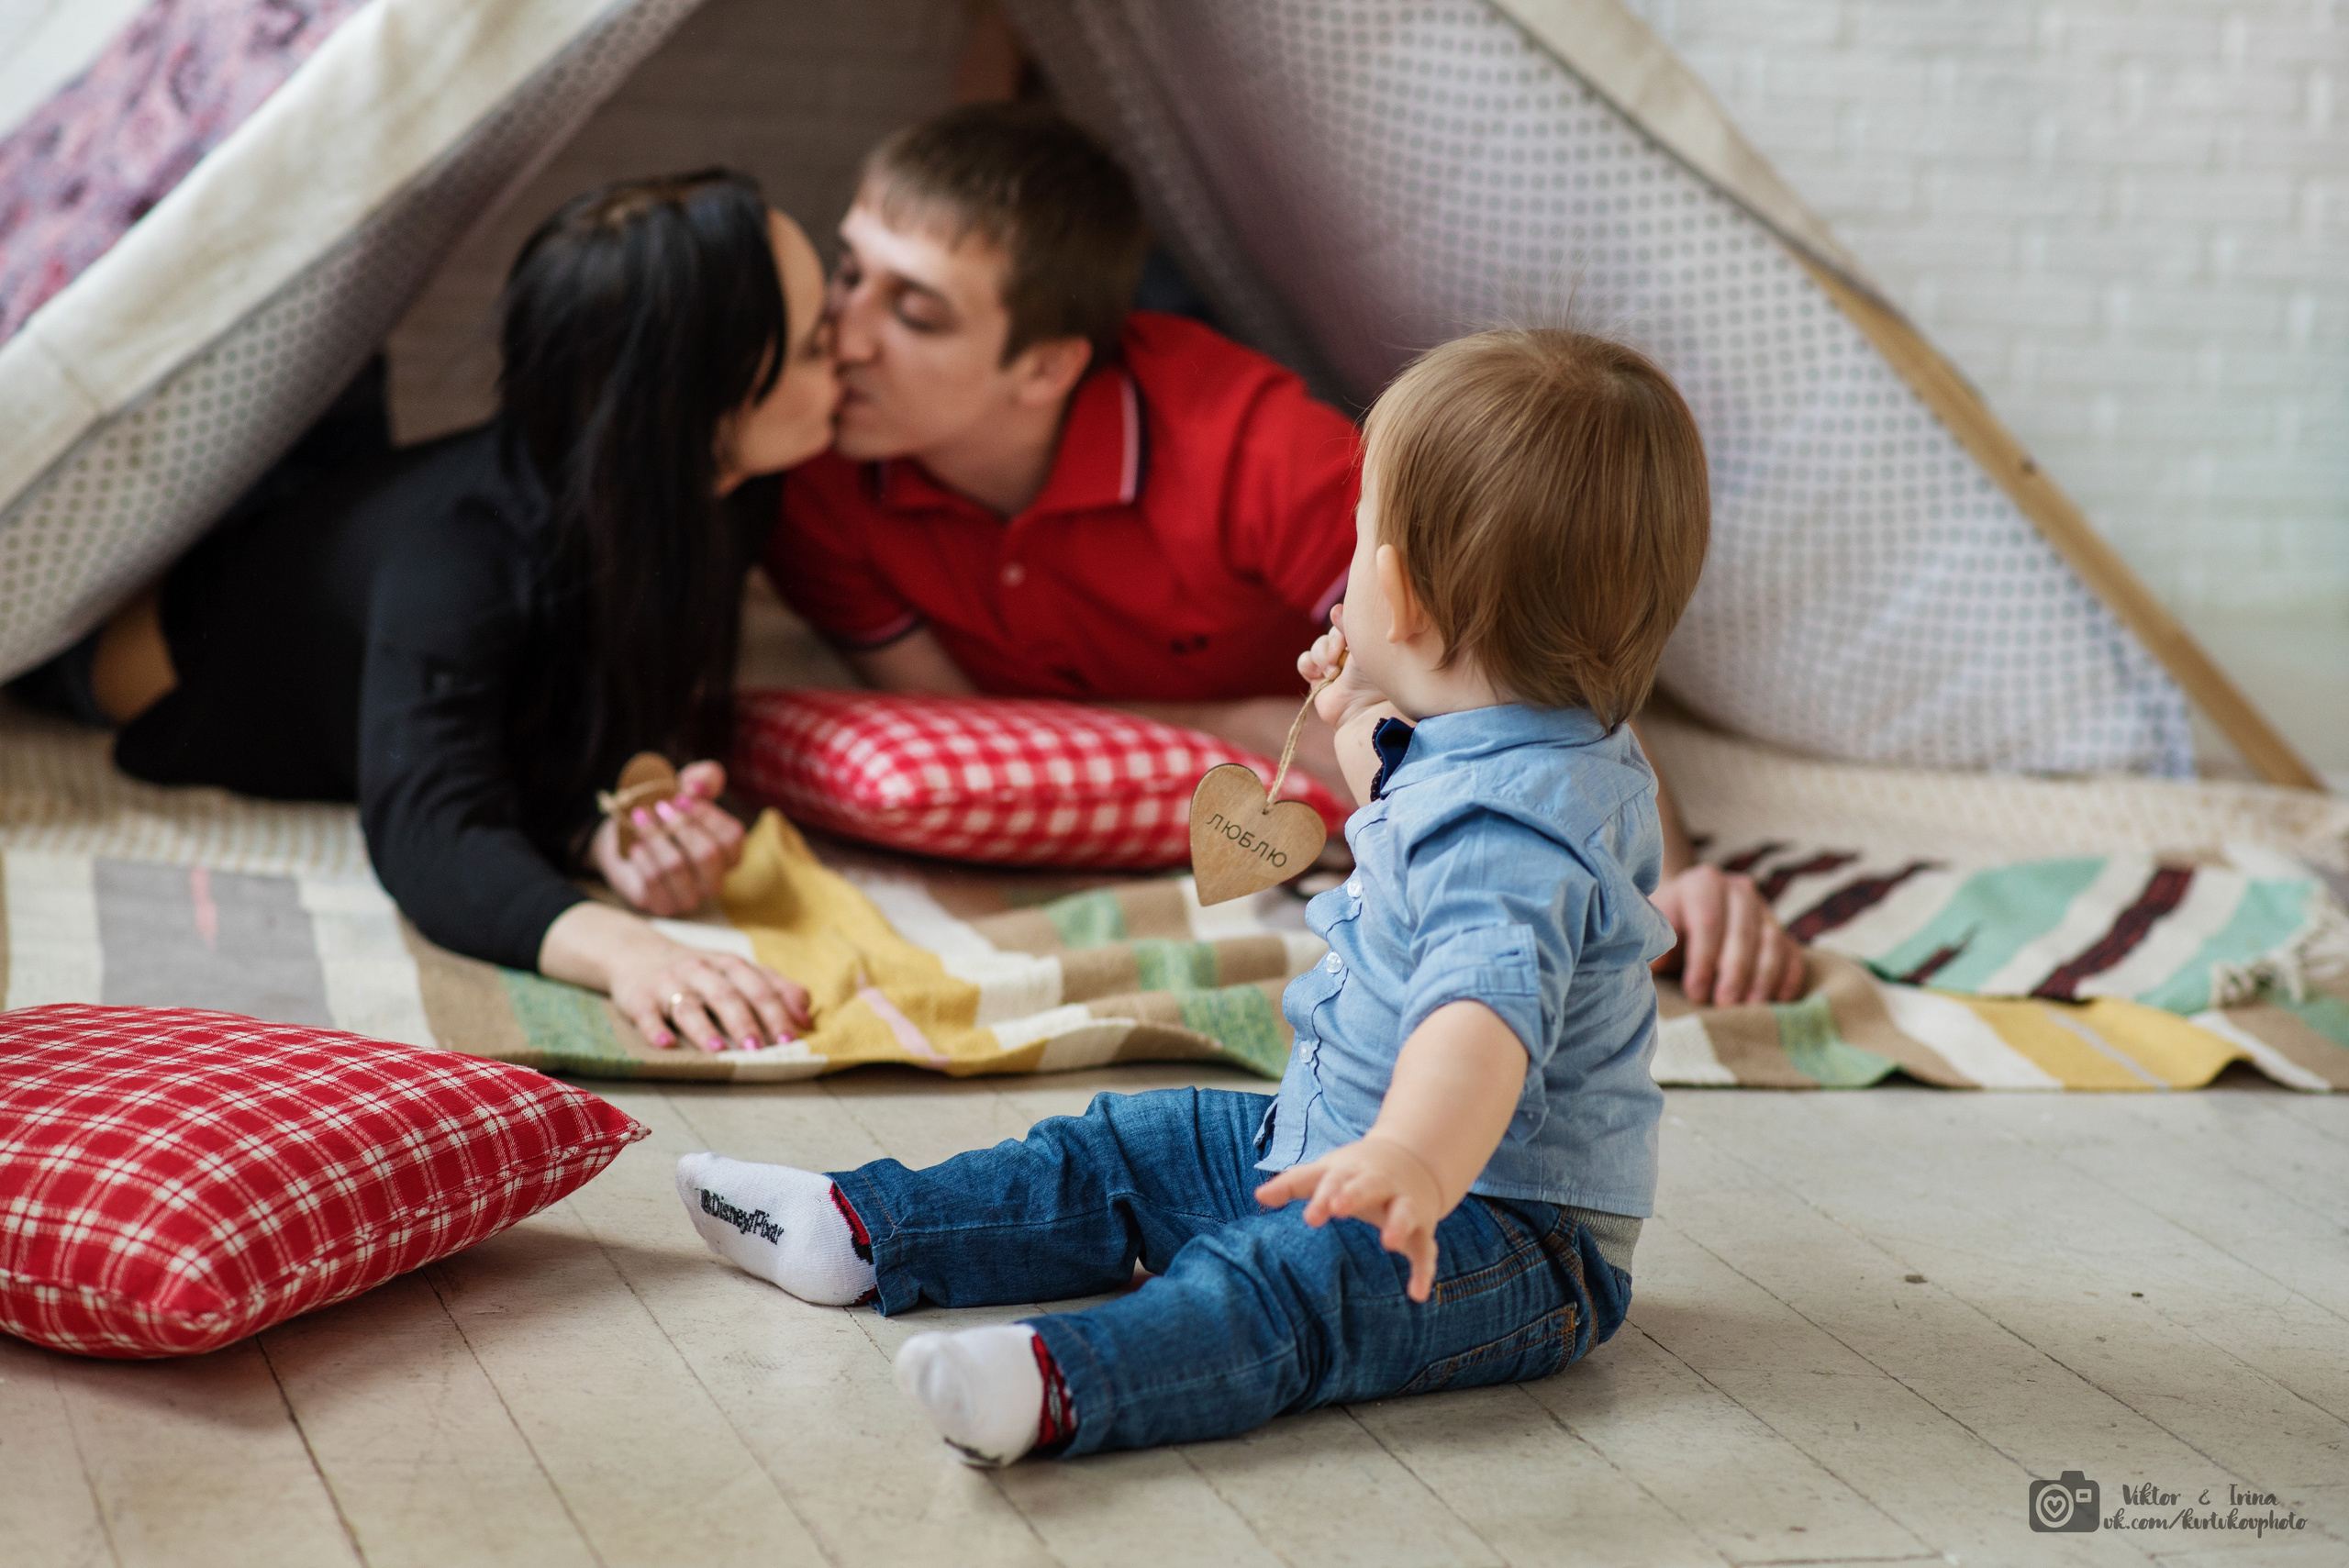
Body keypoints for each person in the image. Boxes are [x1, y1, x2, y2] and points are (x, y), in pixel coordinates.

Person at [675, 325, 1702, 1462]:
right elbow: (1392, 801)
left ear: (1396, 591)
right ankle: (863, 1229)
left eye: (1360, 539)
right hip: (1332, 1143)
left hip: (1499, 1229)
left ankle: (1063, 1378)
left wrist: (1412, 1158)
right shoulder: (1529, 748)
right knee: (1129, 1144)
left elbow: (1481, 1019)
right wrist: (1369, 699)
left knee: (1290, 1284)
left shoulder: (1506, 835)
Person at [769, 103, 1801, 1006]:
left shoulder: (1256, 450)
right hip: (1243, 753)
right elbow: (966, 732)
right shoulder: (820, 481)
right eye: (849, 272)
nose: (843, 335)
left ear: (1044, 366)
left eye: (913, 311)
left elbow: (1529, 655)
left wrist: (1668, 870)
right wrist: (1225, 726)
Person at [7, 170, 834, 1053]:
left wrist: (604, 826)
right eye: (819, 343)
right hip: (113, 621)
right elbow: (431, 828)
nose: (852, 351)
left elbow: (578, 697)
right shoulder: (458, 559)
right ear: (700, 406)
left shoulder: (727, 494)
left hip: (327, 518)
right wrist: (632, 953)